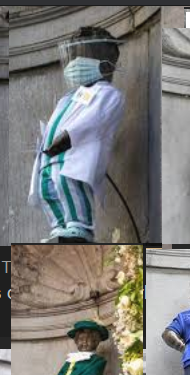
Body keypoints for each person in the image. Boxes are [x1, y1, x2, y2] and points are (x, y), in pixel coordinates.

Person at [28, 26, 125, 242]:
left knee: (68, 184)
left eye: (81, 56)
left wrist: (68, 136)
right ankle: (59, 224)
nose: (74, 63)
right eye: (73, 56)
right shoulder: (69, 97)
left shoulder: (107, 93)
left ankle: (78, 224)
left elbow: (93, 118)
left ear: (104, 62)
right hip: (50, 156)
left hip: (73, 153)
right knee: (46, 189)